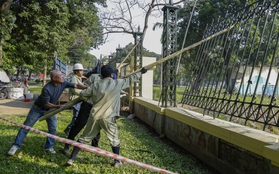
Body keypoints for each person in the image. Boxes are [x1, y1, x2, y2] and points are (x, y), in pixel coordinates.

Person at [66, 65, 148, 166]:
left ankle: (71, 159)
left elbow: (83, 94)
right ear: (111, 75)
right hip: (108, 118)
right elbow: (130, 79)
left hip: (94, 116)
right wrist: (141, 72)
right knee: (114, 139)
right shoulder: (117, 83)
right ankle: (117, 161)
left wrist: (92, 96)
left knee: (84, 137)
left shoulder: (95, 85)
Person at [7, 70, 88, 156]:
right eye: (60, 75)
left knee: (53, 128)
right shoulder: (47, 88)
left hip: (50, 110)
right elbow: (47, 104)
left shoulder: (63, 83)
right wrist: (59, 107)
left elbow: (76, 85)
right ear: (54, 78)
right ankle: (15, 146)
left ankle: (48, 147)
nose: (63, 77)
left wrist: (87, 87)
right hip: (38, 109)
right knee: (26, 127)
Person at [64, 63, 87, 136]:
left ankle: (71, 130)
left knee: (77, 116)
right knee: (76, 116)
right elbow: (75, 90)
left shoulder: (78, 78)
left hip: (78, 100)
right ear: (76, 71)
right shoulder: (74, 78)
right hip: (75, 100)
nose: (82, 72)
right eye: (81, 71)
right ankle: (69, 129)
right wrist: (84, 92)